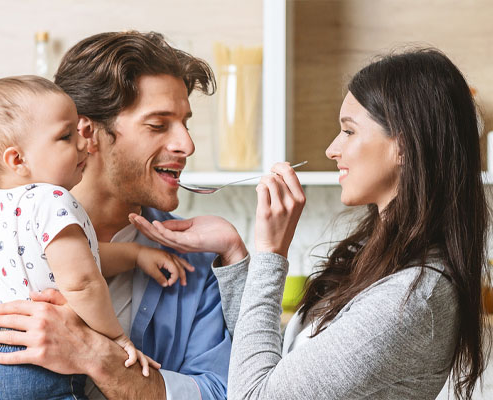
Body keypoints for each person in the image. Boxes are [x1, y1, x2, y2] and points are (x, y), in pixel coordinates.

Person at [0, 31, 246, 400]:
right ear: (87, 133)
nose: (186, 145)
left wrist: (99, 356)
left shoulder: (192, 263)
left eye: (185, 123)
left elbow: (222, 392)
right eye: (158, 125)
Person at [130, 48, 489, 399]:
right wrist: (235, 252)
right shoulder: (384, 262)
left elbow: (253, 396)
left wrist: (272, 253)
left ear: (405, 145)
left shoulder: (411, 300)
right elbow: (263, 367)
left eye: (349, 131)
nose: (333, 149)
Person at [0, 75, 197, 399]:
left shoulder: (10, 205)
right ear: (18, 160)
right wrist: (116, 340)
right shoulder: (54, 200)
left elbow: (84, 257)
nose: (83, 143)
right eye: (66, 137)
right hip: (29, 372)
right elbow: (82, 282)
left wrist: (136, 255)